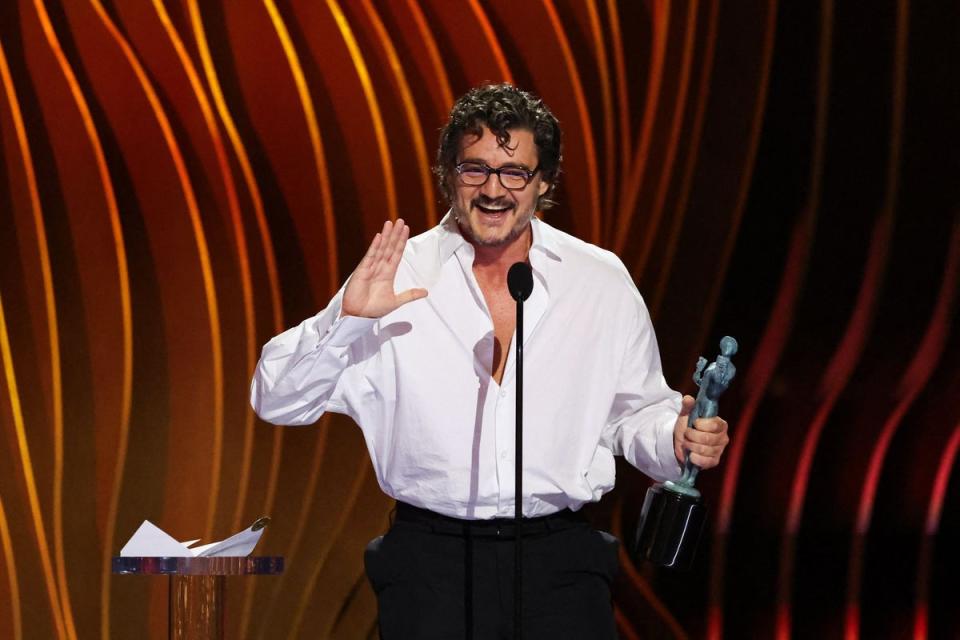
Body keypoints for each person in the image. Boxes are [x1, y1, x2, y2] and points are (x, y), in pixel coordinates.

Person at [251, 83, 730, 639]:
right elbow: (276, 399)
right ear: (449, 175)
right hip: (431, 568)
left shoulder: (600, 280)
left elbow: (634, 412)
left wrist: (672, 438)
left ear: (543, 181)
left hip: (561, 567)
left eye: (514, 172)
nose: (493, 190)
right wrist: (348, 321)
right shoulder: (396, 276)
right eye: (474, 169)